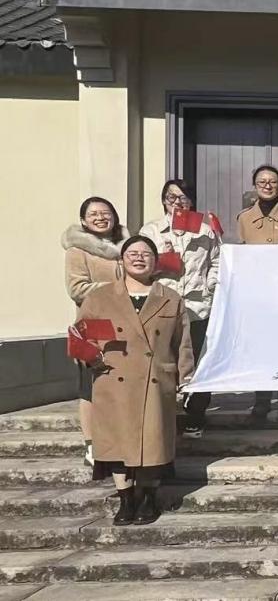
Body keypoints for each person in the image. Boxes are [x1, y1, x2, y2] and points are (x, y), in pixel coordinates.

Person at [76, 235, 194, 526]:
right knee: (117, 443)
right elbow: (82, 335)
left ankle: (148, 498)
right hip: (113, 378)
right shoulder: (100, 298)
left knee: (153, 443)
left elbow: (182, 344)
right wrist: (89, 356)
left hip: (155, 380)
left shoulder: (170, 298)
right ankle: (126, 499)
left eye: (146, 254)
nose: (139, 258)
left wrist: (185, 378)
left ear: (155, 262)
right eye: (132, 253)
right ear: (122, 260)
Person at [139, 180, 221, 438]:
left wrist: (210, 286)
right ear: (164, 201)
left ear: (191, 201)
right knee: (163, 360)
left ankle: (195, 415)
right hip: (163, 305)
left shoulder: (205, 231)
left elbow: (217, 262)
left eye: (183, 197)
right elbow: (138, 263)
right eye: (171, 197)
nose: (177, 203)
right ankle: (161, 416)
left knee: (197, 361)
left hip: (198, 306)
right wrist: (161, 264)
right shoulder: (151, 230)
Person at [62, 196, 128, 466]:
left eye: (105, 212)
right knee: (91, 387)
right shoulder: (78, 250)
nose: (101, 218)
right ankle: (91, 442)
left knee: (121, 384)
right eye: (94, 214)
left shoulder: (128, 246)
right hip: (94, 325)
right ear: (83, 221)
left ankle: (118, 437)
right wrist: (118, 290)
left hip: (126, 325)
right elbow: (76, 289)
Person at [236, 164, 278, 422]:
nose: (267, 185)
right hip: (258, 294)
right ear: (255, 186)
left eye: (272, 181)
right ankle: (261, 400)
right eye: (262, 182)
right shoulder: (244, 218)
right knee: (260, 348)